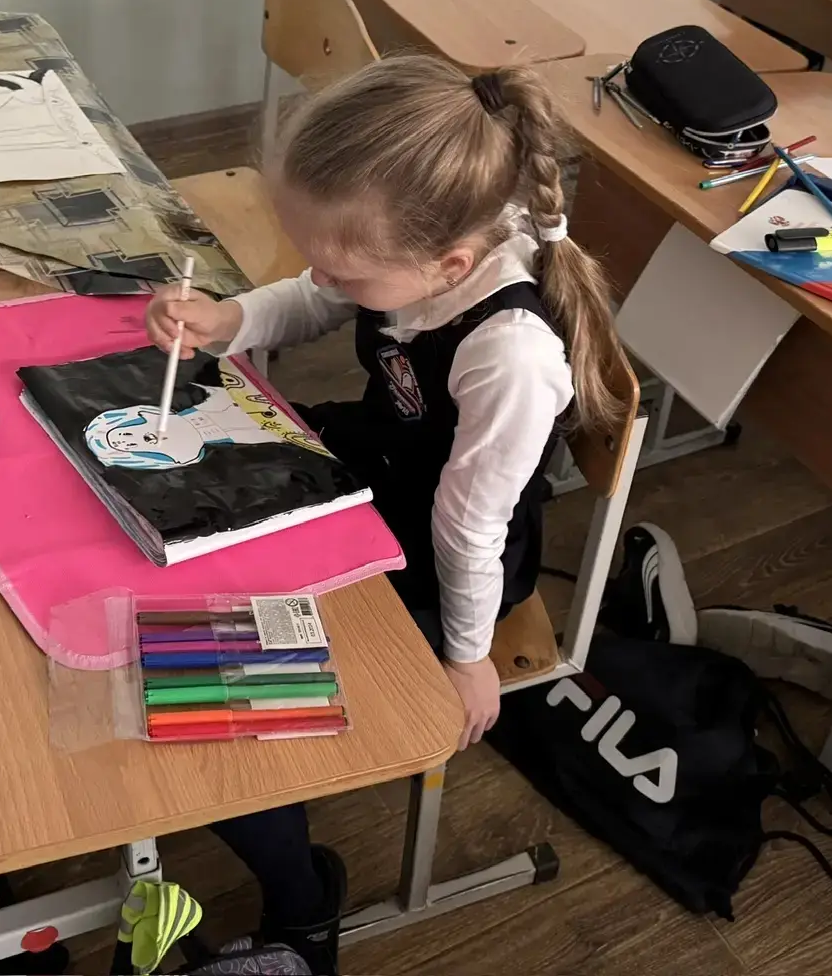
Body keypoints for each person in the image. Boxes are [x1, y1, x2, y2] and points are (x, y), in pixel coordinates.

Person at [144, 55, 624, 973]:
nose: (329, 281)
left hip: (443, 565)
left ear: (448, 267)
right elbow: (315, 293)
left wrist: (468, 658)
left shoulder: (511, 354)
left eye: (347, 272)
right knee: (173, 553)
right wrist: (228, 320)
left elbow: (470, 531)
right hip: (374, 473)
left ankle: (302, 903)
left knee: (221, 697)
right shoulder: (421, 248)